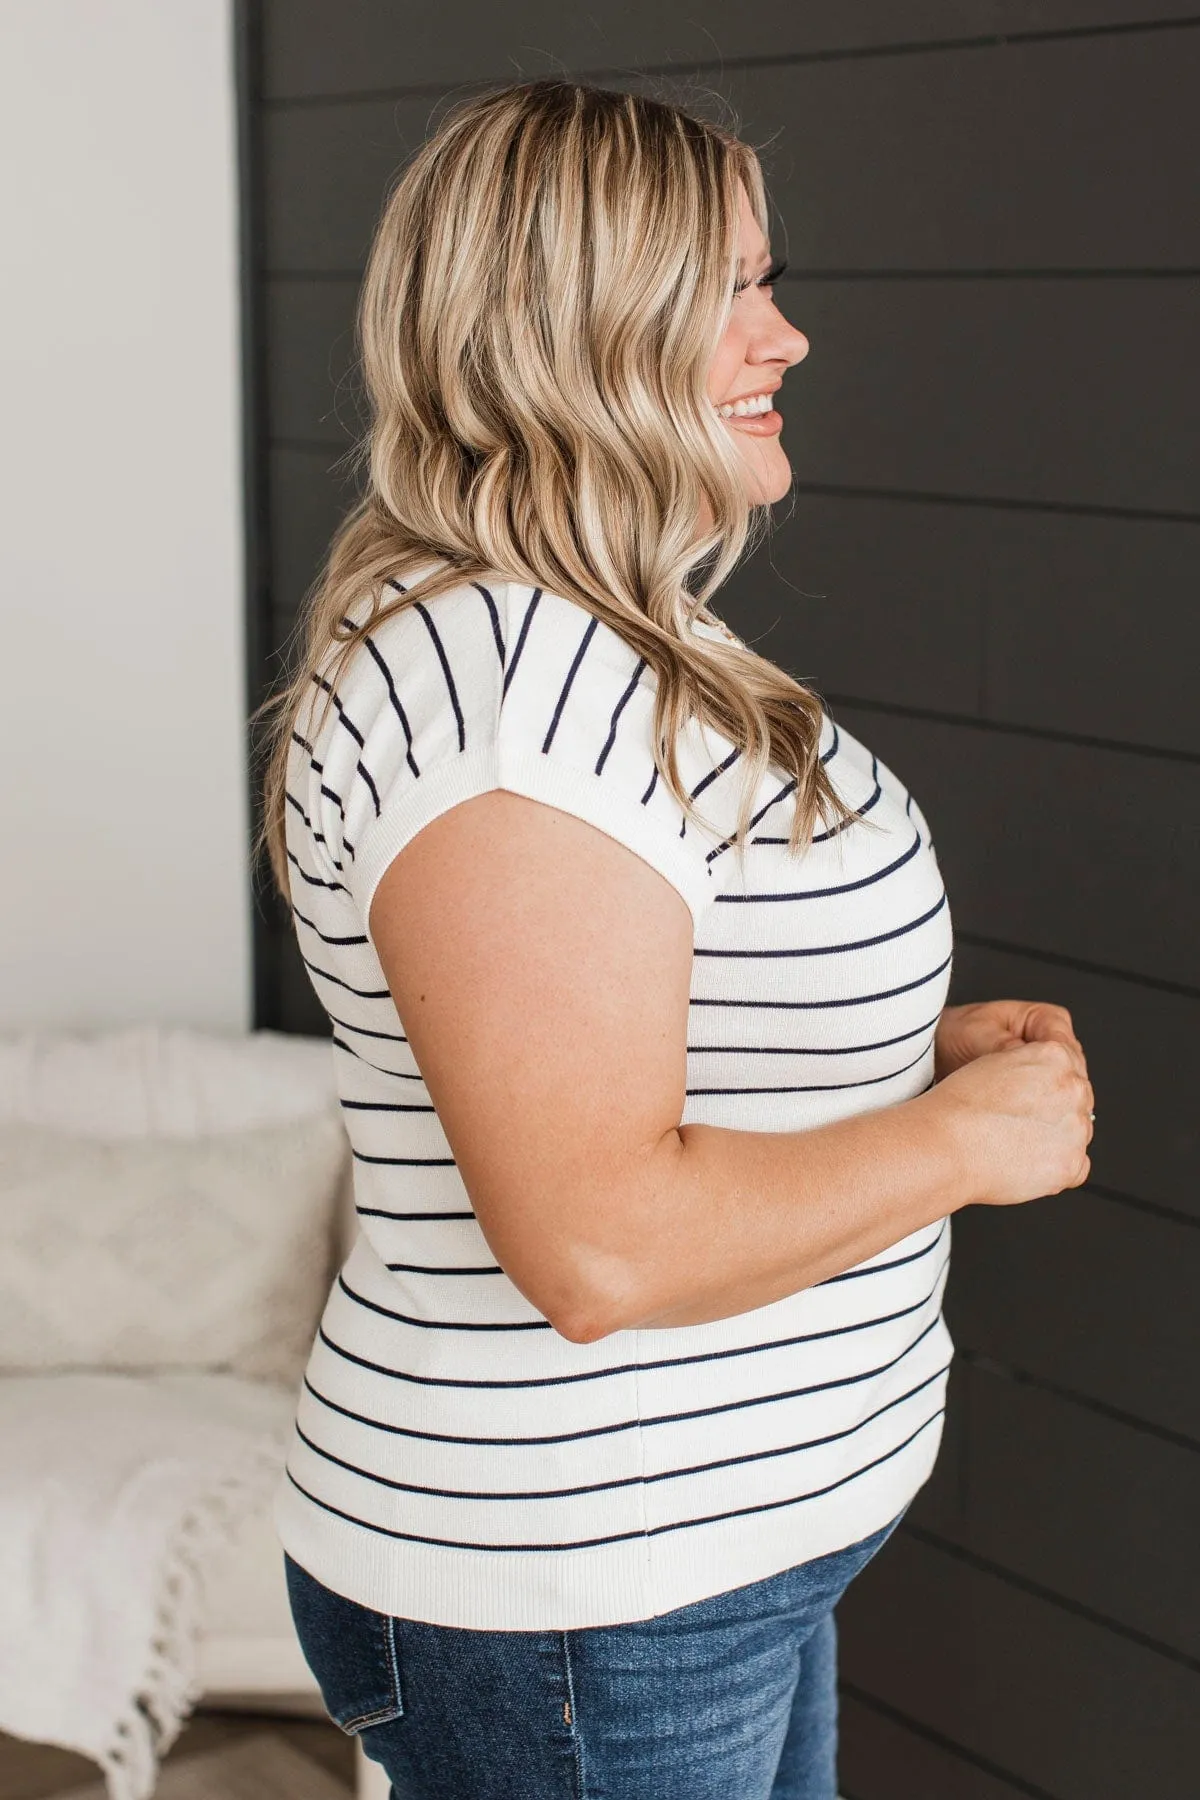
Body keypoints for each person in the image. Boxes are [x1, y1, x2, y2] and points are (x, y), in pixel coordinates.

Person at [257, 77, 1094, 1800]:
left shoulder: (591, 636)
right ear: (575, 322)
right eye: (734, 289)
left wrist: (874, 1056)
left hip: (710, 1559)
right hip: (594, 1603)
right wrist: (954, 1145)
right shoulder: (511, 680)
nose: (784, 336)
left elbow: (624, 1018)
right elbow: (598, 1243)